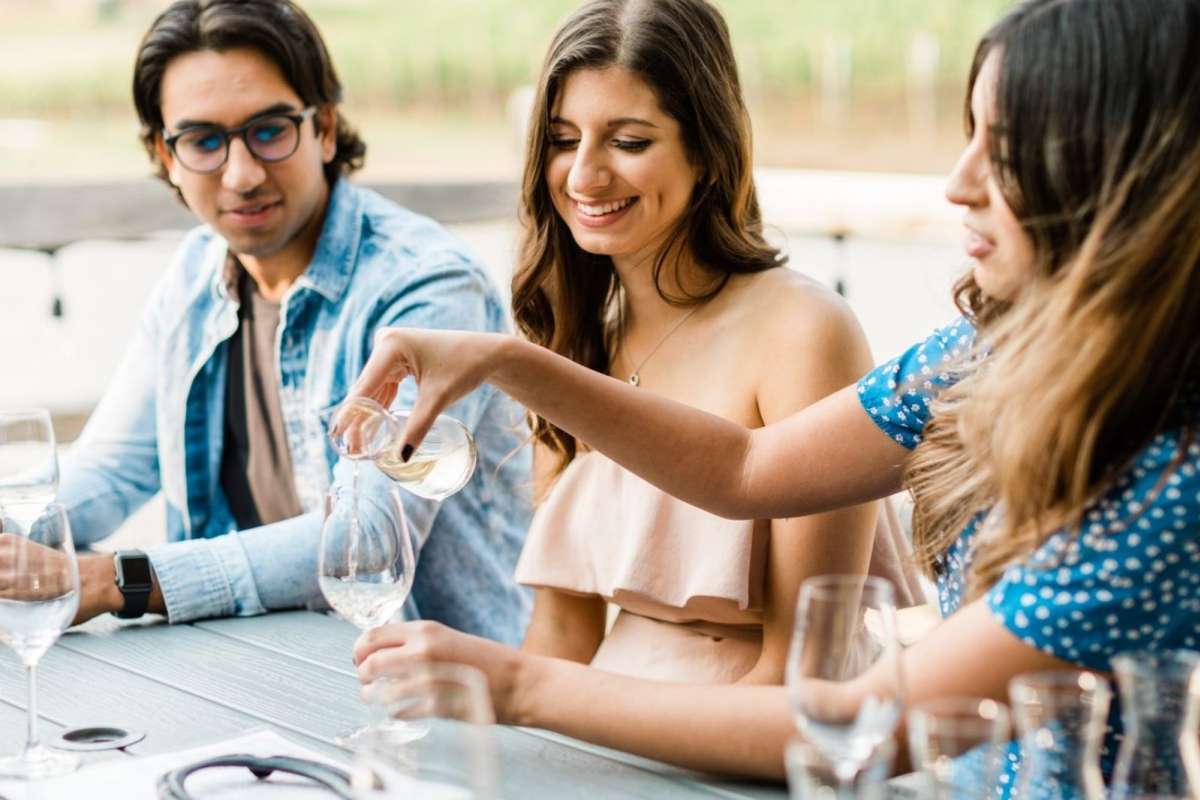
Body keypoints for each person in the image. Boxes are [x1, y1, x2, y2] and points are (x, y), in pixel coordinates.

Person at [349, 0, 1200, 789]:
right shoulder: (982, 355)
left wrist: (516, 685)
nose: (958, 181)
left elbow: (871, 719)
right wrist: (506, 360)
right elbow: (750, 468)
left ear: (1126, 177)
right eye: (966, 133)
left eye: (1006, 149)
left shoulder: (1171, 482)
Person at [347, 0, 918, 756]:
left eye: (629, 140)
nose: (585, 173)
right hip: (591, 743)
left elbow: (799, 676)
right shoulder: (577, 341)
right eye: (561, 140)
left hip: (756, 751)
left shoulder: (805, 331)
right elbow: (562, 634)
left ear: (708, 151)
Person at [49, 0, 532, 642]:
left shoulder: (429, 288)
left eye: (270, 130)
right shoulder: (194, 276)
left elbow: (367, 534)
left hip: (441, 699)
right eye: (203, 142)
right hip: (240, 674)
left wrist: (119, 580)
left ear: (325, 129)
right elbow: (113, 471)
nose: (242, 175)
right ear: (165, 156)